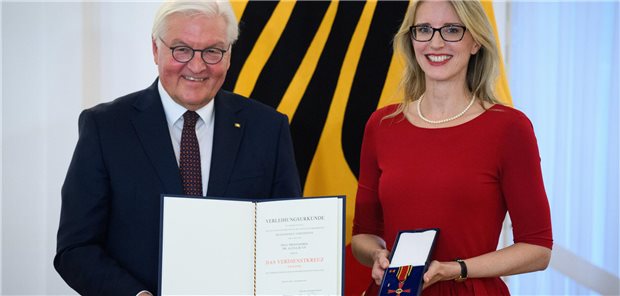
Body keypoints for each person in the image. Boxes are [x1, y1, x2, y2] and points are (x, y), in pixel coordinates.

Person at [54, 1, 301, 295]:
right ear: (156, 50)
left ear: (229, 55)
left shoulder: (268, 128)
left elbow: (288, 240)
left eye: (212, 51)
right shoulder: (105, 127)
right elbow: (76, 248)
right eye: (181, 49)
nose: (197, 66)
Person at [351, 0, 553, 295]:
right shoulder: (381, 125)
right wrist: (377, 256)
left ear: (475, 42)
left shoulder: (510, 128)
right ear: (411, 39)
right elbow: (362, 237)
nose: (435, 42)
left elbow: (538, 249)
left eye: (452, 30)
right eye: (424, 30)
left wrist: (455, 269)